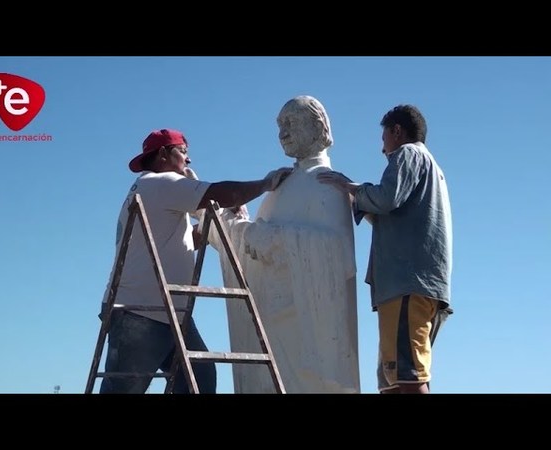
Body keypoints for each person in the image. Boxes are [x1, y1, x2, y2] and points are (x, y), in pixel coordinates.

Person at [99, 128, 292, 394]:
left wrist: (216, 218)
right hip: (141, 310)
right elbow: (218, 193)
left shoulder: (152, 190)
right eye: (184, 152)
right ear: (164, 154)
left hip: (169, 311)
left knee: (198, 378)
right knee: (124, 389)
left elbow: (187, 239)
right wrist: (264, 184)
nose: (188, 161)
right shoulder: (160, 183)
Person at [202, 95, 360, 393]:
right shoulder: (281, 184)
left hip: (304, 332)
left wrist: (275, 240)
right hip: (272, 320)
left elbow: (337, 254)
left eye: (290, 123)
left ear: (317, 126)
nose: (282, 133)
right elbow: (253, 246)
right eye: (279, 126)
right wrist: (231, 226)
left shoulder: (327, 183)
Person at [317, 104, 453, 394]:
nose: (383, 149)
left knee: (409, 377)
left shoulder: (409, 154)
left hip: (407, 284)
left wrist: (350, 187)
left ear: (397, 131)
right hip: (413, 287)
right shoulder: (431, 168)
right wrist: (357, 200)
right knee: (392, 381)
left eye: (384, 139)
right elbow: (391, 213)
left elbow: (387, 198)